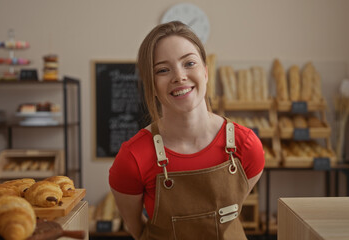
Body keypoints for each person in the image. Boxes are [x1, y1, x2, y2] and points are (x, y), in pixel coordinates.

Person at [109, 21, 265, 240]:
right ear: (150, 83)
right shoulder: (132, 158)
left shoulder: (246, 145)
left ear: (205, 71)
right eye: (163, 70)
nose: (179, 76)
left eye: (189, 63)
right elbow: (137, 229)